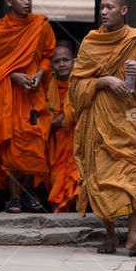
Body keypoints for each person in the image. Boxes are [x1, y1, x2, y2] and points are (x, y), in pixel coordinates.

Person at [69, 0, 136, 254]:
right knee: (101, 178)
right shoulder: (91, 42)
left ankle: (133, 236)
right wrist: (104, 81)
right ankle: (110, 234)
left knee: (133, 174)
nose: (104, 12)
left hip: (129, 119)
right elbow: (75, 87)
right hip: (99, 120)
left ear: (123, 10)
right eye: (101, 7)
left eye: (109, 7)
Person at [0, 0, 56, 212]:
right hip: (9, 96)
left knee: (34, 141)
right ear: (9, 2)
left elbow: (48, 56)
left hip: (33, 94)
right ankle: (15, 196)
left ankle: (27, 191)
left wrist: (40, 73)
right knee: (11, 144)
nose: (27, 2)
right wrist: (14, 76)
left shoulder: (41, 26)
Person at [45, 40, 80, 213]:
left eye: (65, 60)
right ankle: (59, 204)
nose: (62, 64)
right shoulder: (45, 87)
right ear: (51, 65)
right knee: (57, 175)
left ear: (73, 62)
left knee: (76, 173)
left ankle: (74, 207)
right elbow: (45, 121)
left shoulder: (81, 85)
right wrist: (57, 122)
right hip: (55, 141)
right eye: (57, 61)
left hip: (78, 137)